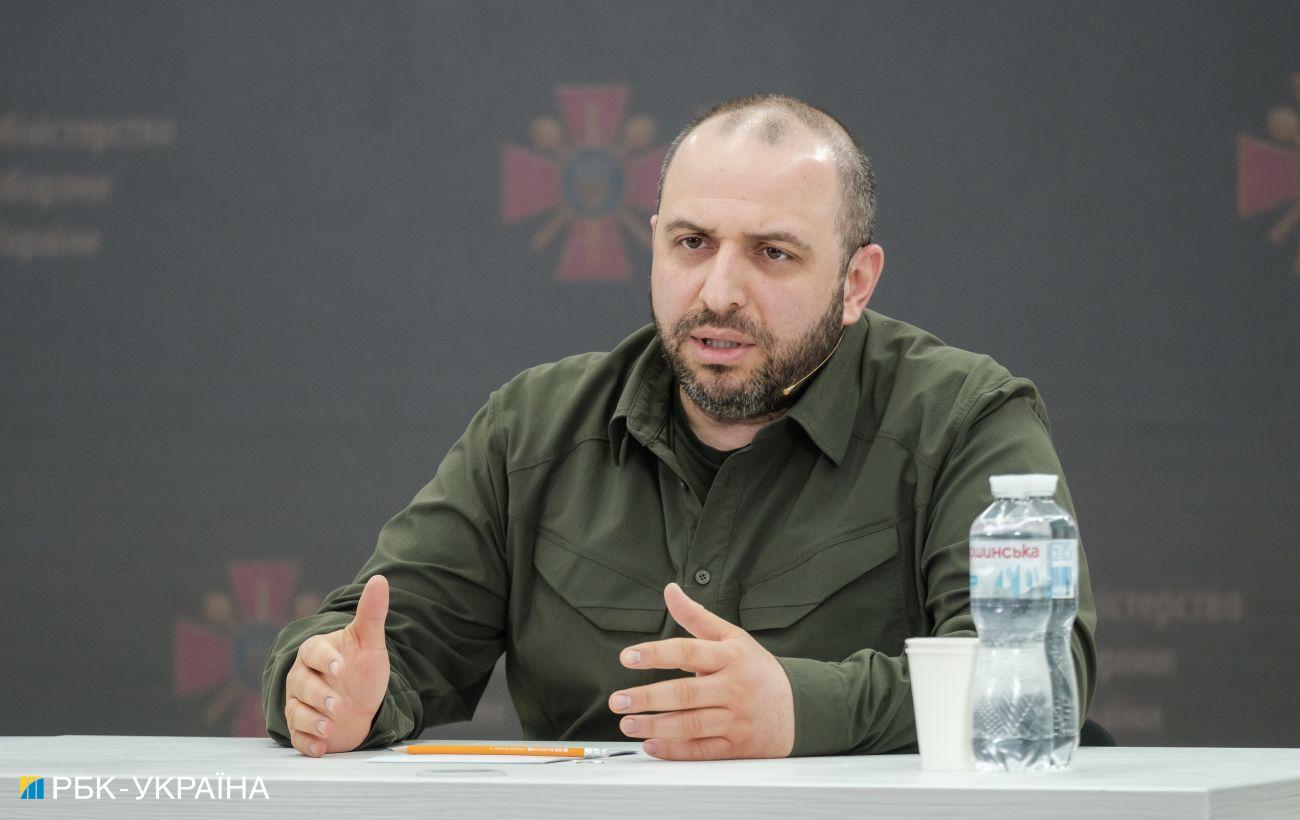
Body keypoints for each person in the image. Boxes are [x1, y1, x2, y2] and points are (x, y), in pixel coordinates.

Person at [262, 94, 1097, 761]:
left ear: (856, 282)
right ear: (655, 243)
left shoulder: (965, 420)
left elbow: (1035, 672)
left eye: (773, 253)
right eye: (693, 243)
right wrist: (330, 687)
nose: (720, 291)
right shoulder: (534, 428)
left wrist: (801, 711)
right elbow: (378, 644)